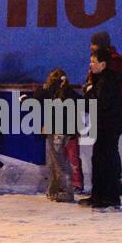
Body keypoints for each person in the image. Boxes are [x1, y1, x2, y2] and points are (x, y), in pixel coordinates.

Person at [80, 46, 122, 209]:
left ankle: (110, 196)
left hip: (109, 125)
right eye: (90, 62)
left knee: (106, 160)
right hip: (103, 124)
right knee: (99, 159)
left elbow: (100, 104)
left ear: (103, 64)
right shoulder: (99, 79)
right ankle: (98, 195)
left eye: (94, 62)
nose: (91, 65)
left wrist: (89, 92)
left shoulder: (108, 80)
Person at [25, 69, 80, 203]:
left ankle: (66, 191)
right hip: (66, 130)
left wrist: (25, 98)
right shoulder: (69, 91)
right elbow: (81, 102)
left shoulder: (49, 89)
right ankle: (55, 190)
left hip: (55, 129)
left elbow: (34, 101)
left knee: (57, 162)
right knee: (56, 161)